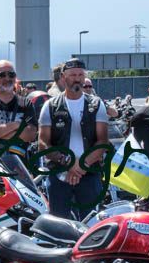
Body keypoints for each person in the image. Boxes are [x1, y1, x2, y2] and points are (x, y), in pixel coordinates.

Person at [39, 59, 108, 217]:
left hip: (89, 174)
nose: (77, 78)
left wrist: (81, 166)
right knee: (59, 225)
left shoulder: (97, 105)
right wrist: (69, 163)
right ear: (63, 77)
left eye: (80, 75)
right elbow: (43, 143)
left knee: (91, 224)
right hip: (59, 175)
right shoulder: (50, 106)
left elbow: (102, 141)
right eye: (72, 75)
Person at [0, 60, 37, 157]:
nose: (7, 78)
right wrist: (16, 125)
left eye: (11, 74)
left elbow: (31, 134)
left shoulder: (25, 103)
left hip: (21, 164)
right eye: (2, 75)